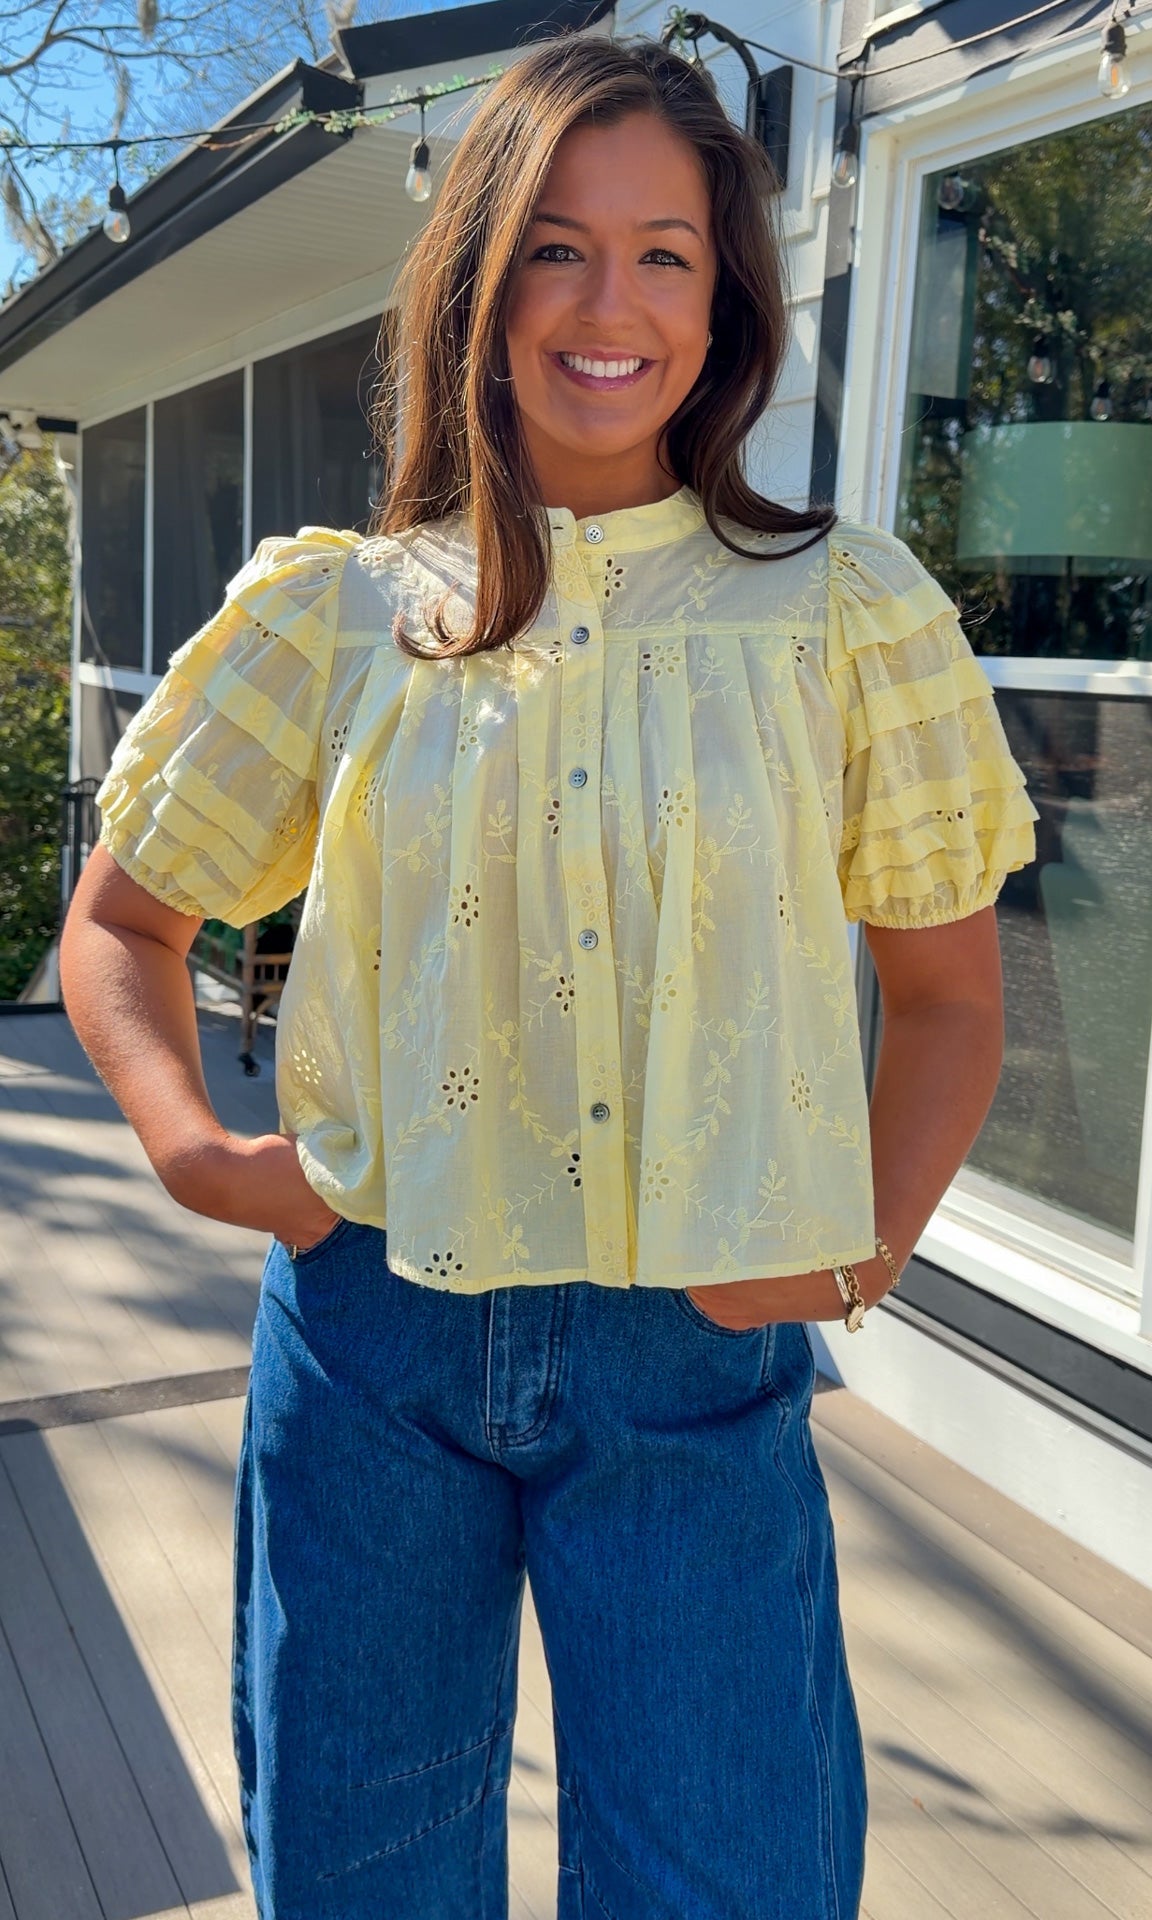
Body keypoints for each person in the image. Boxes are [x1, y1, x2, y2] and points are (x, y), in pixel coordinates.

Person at [60, 33, 1039, 1920]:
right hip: (372, 1344)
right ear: (477, 283)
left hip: (699, 1352)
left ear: (726, 294)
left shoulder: (844, 616)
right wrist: (195, 1152)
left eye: (666, 251)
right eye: (555, 249)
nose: (612, 305)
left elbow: (948, 1001)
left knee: (729, 1882)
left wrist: (860, 1256)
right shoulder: (338, 612)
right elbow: (124, 923)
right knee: (361, 1881)